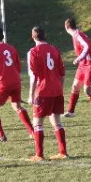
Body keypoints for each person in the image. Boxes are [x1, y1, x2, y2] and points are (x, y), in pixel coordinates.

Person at [0, 27, 34, 143]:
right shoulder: (12, 48)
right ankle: (31, 132)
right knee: (17, 106)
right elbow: (18, 66)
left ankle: (1, 136)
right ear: (3, 36)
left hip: (3, 83)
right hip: (16, 82)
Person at [27, 26, 68, 162]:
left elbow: (34, 77)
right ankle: (63, 152)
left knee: (37, 122)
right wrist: (59, 88)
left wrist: (30, 95)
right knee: (56, 121)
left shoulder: (33, 52)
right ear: (45, 36)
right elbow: (62, 74)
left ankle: (39, 155)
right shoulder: (55, 50)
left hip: (42, 91)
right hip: (57, 90)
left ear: (33, 37)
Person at [63, 18, 91, 117]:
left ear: (66, 27)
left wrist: (79, 58)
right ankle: (71, 111)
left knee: (87, 90)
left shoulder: (78, 35)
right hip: (83, 65)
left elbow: (86, 46)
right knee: (75, 87)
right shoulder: (76, 35)